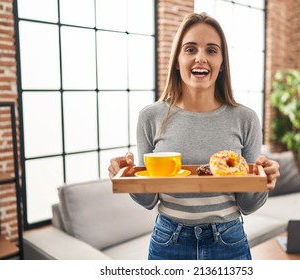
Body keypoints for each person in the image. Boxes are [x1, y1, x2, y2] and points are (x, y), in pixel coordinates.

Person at [108, 12, 280, 260]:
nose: (201, 58)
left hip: (229, 240)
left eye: (212, 50)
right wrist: (126, 174)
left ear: (222, 63)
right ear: (177, 60)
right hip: (169, 240)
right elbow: (148, 200)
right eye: (190, 49)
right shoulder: (151, 116)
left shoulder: (246, 119)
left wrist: (264, 181)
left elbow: (249, 205)